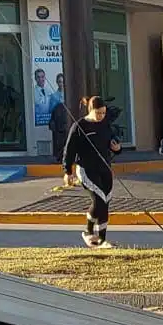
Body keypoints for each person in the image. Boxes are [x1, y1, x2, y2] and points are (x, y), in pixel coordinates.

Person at [62, 96, 121, 249]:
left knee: (105, 201)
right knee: (99, 200)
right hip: (87, 170)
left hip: (105, 168)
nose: (101, 116)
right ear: (91, 110)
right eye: (98, 113)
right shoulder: (79, 126)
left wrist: (117, 148)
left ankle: (96, 235)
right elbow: (69, 150)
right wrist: (68, 171)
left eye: (103, 113)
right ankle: (96, 237)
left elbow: (112, 141)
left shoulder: (105, 124)